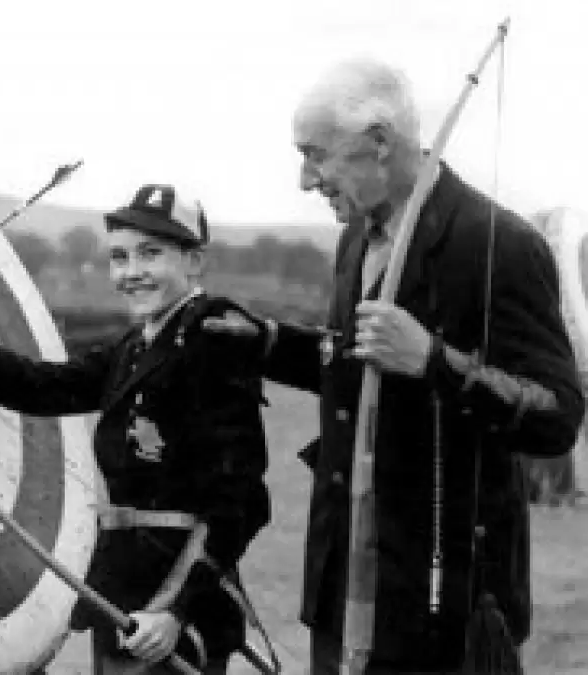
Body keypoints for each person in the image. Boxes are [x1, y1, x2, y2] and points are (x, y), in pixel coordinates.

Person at [204, 59, 585, 673]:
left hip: (447, 611)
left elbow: (558, 415)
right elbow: (357, 363)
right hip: (345, 595)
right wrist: (267, 341)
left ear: (379, 142)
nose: (305, 179)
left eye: (315, 155)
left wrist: (435, 362)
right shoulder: (355, 238)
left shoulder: (500, 242)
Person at [0, 184, 273, 673]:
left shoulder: (213, 340)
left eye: (151, 254)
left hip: (174, 611)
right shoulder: (136, 346)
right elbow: (39, 387)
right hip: (123, 593)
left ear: (194, 261)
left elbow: (241, 501)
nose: (131, 272)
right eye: (119, 257)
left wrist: (173, 610)